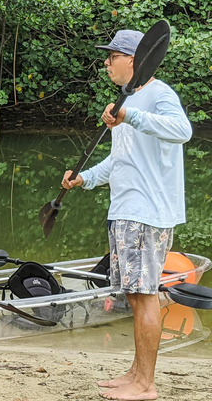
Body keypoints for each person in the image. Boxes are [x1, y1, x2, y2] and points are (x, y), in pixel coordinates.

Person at [61, 29, 192, 401]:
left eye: (112, 56)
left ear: (133, 60)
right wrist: (84, 178)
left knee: (145, 294)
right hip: (126, 211)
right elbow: (120, 161)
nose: (106, 62)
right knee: (135, 296)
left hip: (146, 213)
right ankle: (136, 373)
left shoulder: (158, 94)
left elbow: (182, 131)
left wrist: (130, 115)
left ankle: (146, 384)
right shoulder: (129, 99)